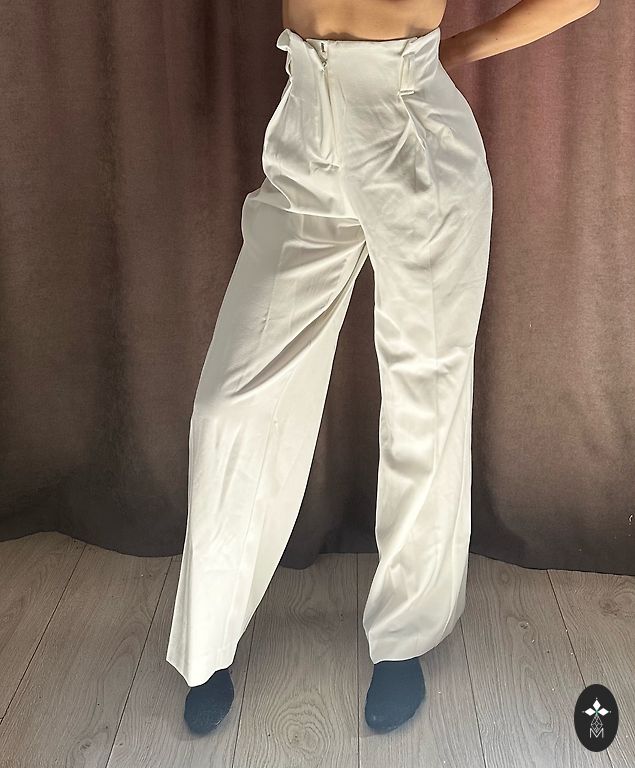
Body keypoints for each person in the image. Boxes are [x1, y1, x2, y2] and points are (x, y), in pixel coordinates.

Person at [166, 0, 601, 736]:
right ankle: (208, 638)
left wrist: (449, 53)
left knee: (423, 397)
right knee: (230, 406)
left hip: (413, 132)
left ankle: (404, 637)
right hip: (304, 130)